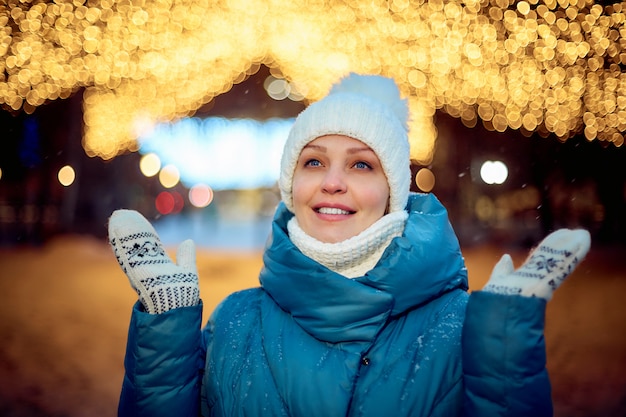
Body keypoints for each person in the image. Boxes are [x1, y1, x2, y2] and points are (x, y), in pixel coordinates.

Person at [108, 73, 591, 417]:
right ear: (290, 184)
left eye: (361, 165)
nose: (332, 182)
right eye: (314, 162)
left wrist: (504, 346)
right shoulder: (234, 321)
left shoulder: (459, 329)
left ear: (393, 194)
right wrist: (165, 335)